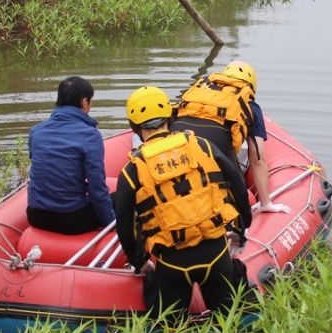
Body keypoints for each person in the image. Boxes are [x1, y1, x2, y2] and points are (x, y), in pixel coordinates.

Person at [115, 86, 253, 319]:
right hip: (216, 255)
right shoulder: (201, 145)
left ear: (134, 127)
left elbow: (125, 226)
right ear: (171, 117)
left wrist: (138, 262)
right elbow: (238, 186)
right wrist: (241, 229)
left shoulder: (132, 170)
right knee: (230, 323)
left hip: (171, 264)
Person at [171, 60, 288, 214]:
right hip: (216, 148)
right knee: (237, 191)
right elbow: (257, 158)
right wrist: (266, 203)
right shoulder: (249, 105)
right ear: (251, 85)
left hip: (176, 145)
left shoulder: (197, 91)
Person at [26, 76, 113, 235]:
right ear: (85, 102)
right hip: (72, 220)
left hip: (35, 216)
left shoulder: (36, 131)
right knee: (121, 199)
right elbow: (97, 187)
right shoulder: (90, 135)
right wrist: (112, 224)